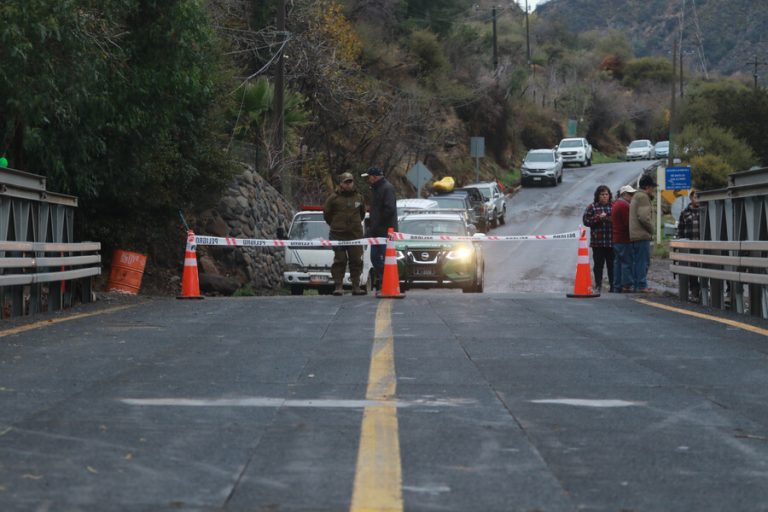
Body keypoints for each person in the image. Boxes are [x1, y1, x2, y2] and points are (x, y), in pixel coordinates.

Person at [323, 172, 367, 296]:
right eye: (346, 182)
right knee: (340, 260)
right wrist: (336, 224)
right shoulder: (333, 198)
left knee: (356, 260)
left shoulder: (359, 197)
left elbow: (362, 214)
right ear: (341, 184)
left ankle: (356, 286)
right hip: (338, 235)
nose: (348, 184)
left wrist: (354, 225)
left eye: (350, 182)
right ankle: (338, 286)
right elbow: (327, 214)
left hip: (355, 235)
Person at [361, 166, 397, 289]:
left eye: (369, 177)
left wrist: (377, 223)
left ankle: (388, 282)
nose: (368, 180)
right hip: (376, 231)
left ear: (374, 177)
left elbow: (389, 209)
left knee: (385, 259)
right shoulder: (377, 189)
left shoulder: (387, 188)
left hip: (385, 232)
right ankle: (384, 280)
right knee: (375, 258)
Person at [582, 185, 614, 293]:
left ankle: (613, 285)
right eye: (602, 194)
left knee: (612, 265)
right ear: (598, 196)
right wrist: (598, 218)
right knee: (598, 265)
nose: (605, 196)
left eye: (606, 194)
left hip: (611, 241)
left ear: (609, 195)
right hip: (598, 242)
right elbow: (586, 221)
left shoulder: (613, 206)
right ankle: (598, 285)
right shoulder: (592, 207)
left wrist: (609, 219)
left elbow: (618, 220)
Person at [629, 174, 657, 292]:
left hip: (635, 234)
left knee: (637, 261)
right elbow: (644, 217)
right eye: (652, 187)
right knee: (643, 262)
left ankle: (637, 284)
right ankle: (641, 285)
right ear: (647, 187)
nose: (653, 190)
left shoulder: (636, 196)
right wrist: (652, 229)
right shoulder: (643, 197)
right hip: (642, 234)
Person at [677, 189, 701, 301]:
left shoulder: (706, 211)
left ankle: (704, 290)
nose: (698, 200)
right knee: (692, 269)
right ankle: (694, 291)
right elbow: (680, 230)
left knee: (705, 269)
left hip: (704, 246)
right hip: (690, 246)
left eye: (699, 197)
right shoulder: (684, 213)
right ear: (691, 198)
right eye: (696, 197)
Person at [611, 184, 636, 292]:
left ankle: (617, 286)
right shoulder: (624, 205)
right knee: (626, 262)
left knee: (618, 263)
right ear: (624, 194)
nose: (632, 196)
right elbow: (628, 223)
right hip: (624, 239)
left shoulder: (616, 204)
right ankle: (626, 285)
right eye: (630, 194)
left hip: (616, 238)